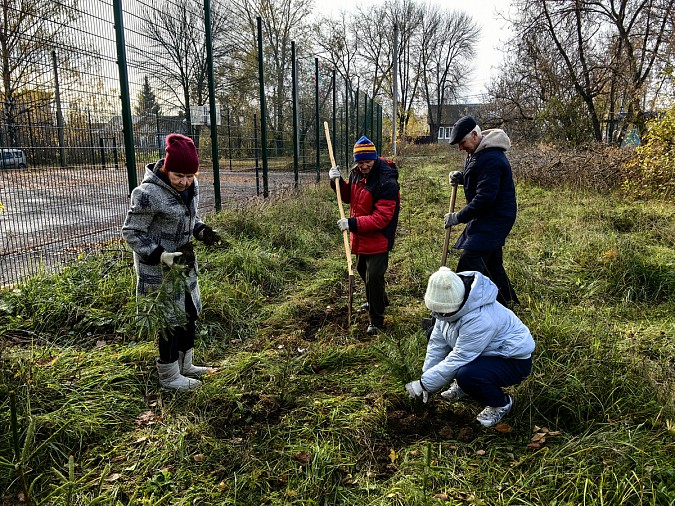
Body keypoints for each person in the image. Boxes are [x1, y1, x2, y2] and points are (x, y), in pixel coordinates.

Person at [122, 133, 221, 390]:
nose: (185, 181)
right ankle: (168, 375)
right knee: (169, 320)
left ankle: (185, 365)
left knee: (189, 313)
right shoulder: (147, 194)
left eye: (190, 176)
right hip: (160, 269)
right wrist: (160, 255)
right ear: (166, 168)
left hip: (184, 263)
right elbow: (132, 232)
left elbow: (190, 220)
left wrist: (202, 231)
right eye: (179, 176)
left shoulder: (191, 188)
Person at [405, 267, 534, 427]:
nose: (439, 315)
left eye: (443, 312)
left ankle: (500, 403)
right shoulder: (446, 306)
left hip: (511, 361)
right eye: (437, 311)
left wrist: (425, 383)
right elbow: (437, 344)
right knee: (433, 333)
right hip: (485, 352)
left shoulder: (481, 319)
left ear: (456, 303)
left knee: (467, 374)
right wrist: (427, 376)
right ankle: (464, 387)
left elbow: (460, 357)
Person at [444, 115, 520, 307]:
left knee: (469, 265)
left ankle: (458, 311)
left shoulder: (491, 158)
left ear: (475, 135)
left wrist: (459, 217)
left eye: (462, 143)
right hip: (487, 216)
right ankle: (508, 302)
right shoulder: (479, 152)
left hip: (495, 218)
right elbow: (480, 178)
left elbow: (485, 197)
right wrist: (463, 177)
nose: (461, 148)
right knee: (492, 265)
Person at [329, 136, 400, 335]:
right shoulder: (356, 174)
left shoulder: (386, 181)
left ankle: (376, 320)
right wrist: (336, 182)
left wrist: (351, 224)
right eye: (360, 162)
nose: (364, 166)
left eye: (367, 161)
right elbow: (348, 197)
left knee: (374, 275)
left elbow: (381, 218)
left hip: (378, 236)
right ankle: (380, 299)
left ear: (375, 158)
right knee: (362, 269)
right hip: (361, 236)